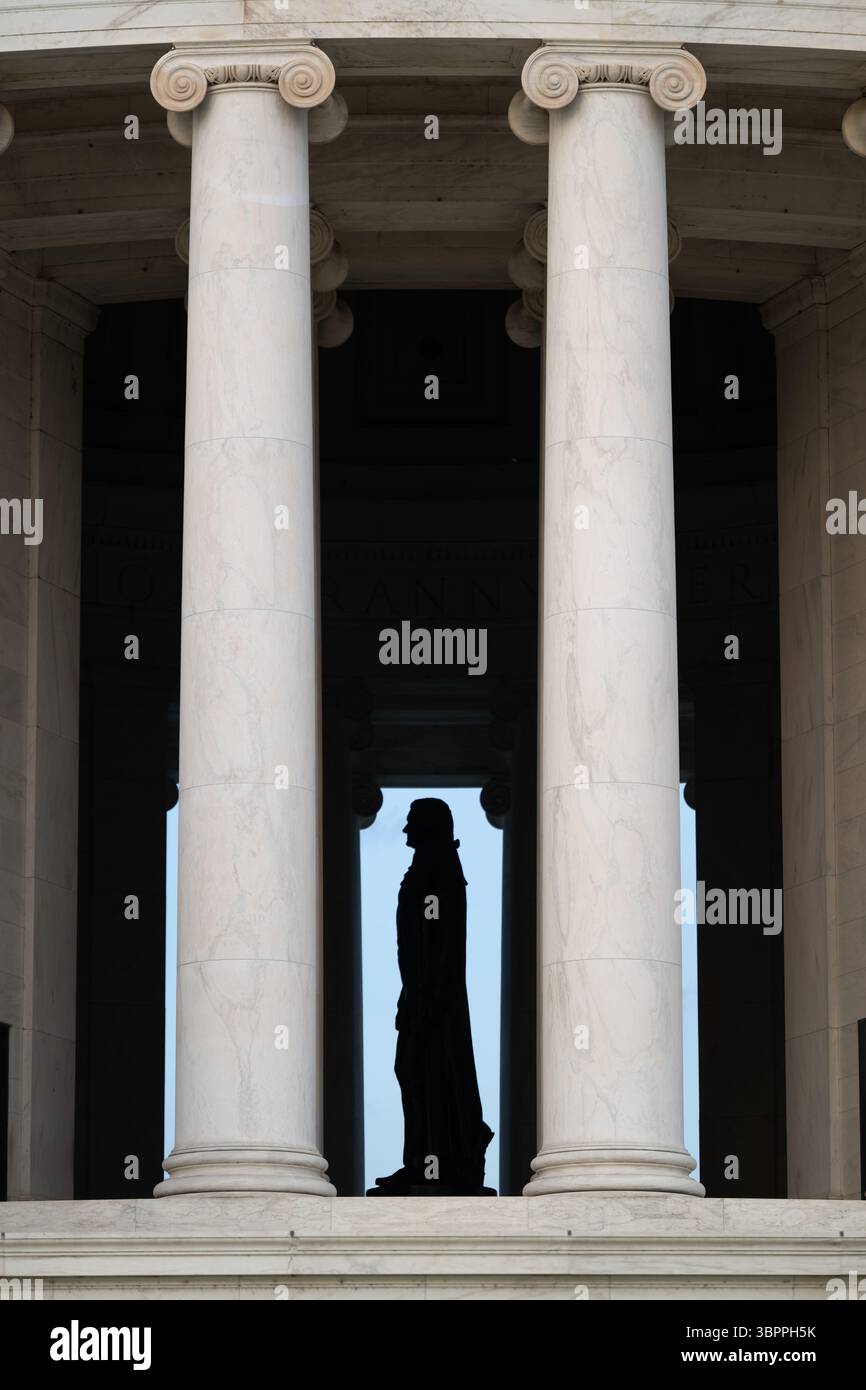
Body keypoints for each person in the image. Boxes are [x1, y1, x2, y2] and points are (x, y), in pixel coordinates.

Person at [368, 798, 494, 1196]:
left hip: (432, 999)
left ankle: (434, 1165)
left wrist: (427, 995)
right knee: (420, 1076)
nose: (404, 831)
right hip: (423, 995)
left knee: (427, 1076)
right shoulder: (433, 867)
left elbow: (437, 938)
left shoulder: (438, 870)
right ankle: (427, 1163)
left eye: (411, 823)